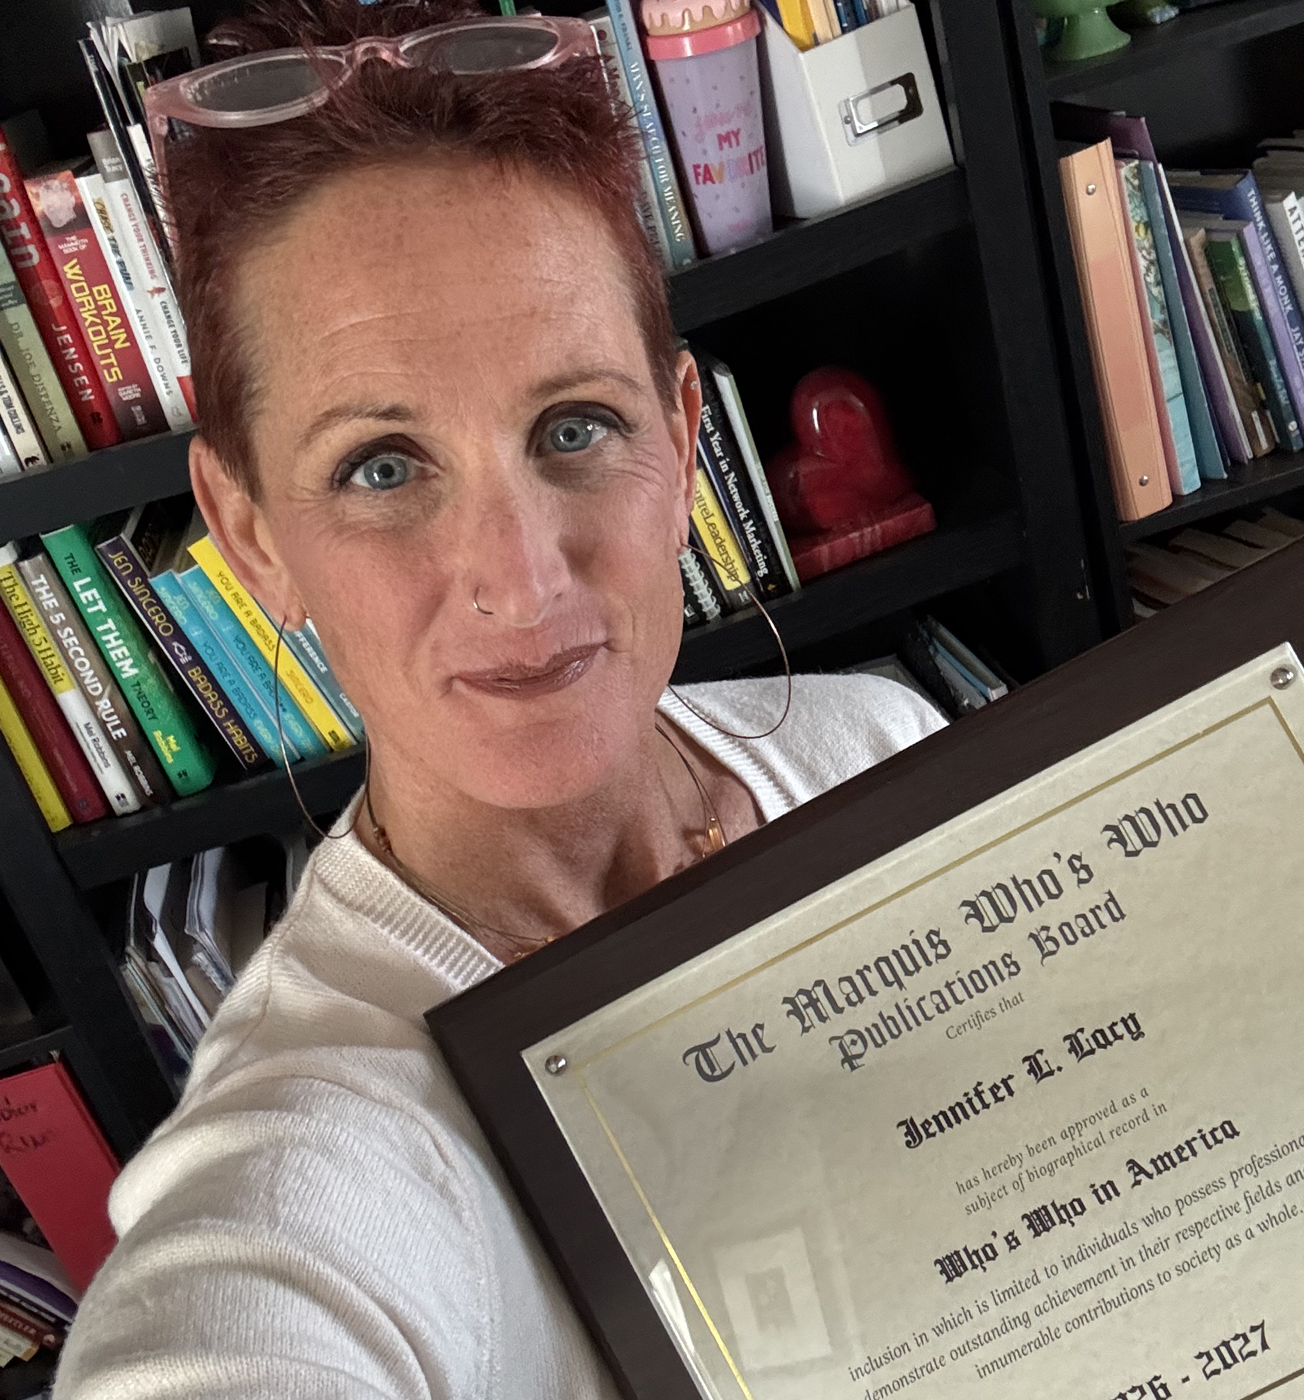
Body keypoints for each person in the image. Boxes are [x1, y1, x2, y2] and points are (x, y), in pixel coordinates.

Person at [55, 1, 946, 1395]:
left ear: (683, 443)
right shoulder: (317, 1151)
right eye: (382, 466)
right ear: (251, 533)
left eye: (575, 427)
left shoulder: (887, 757)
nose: (522, 584)